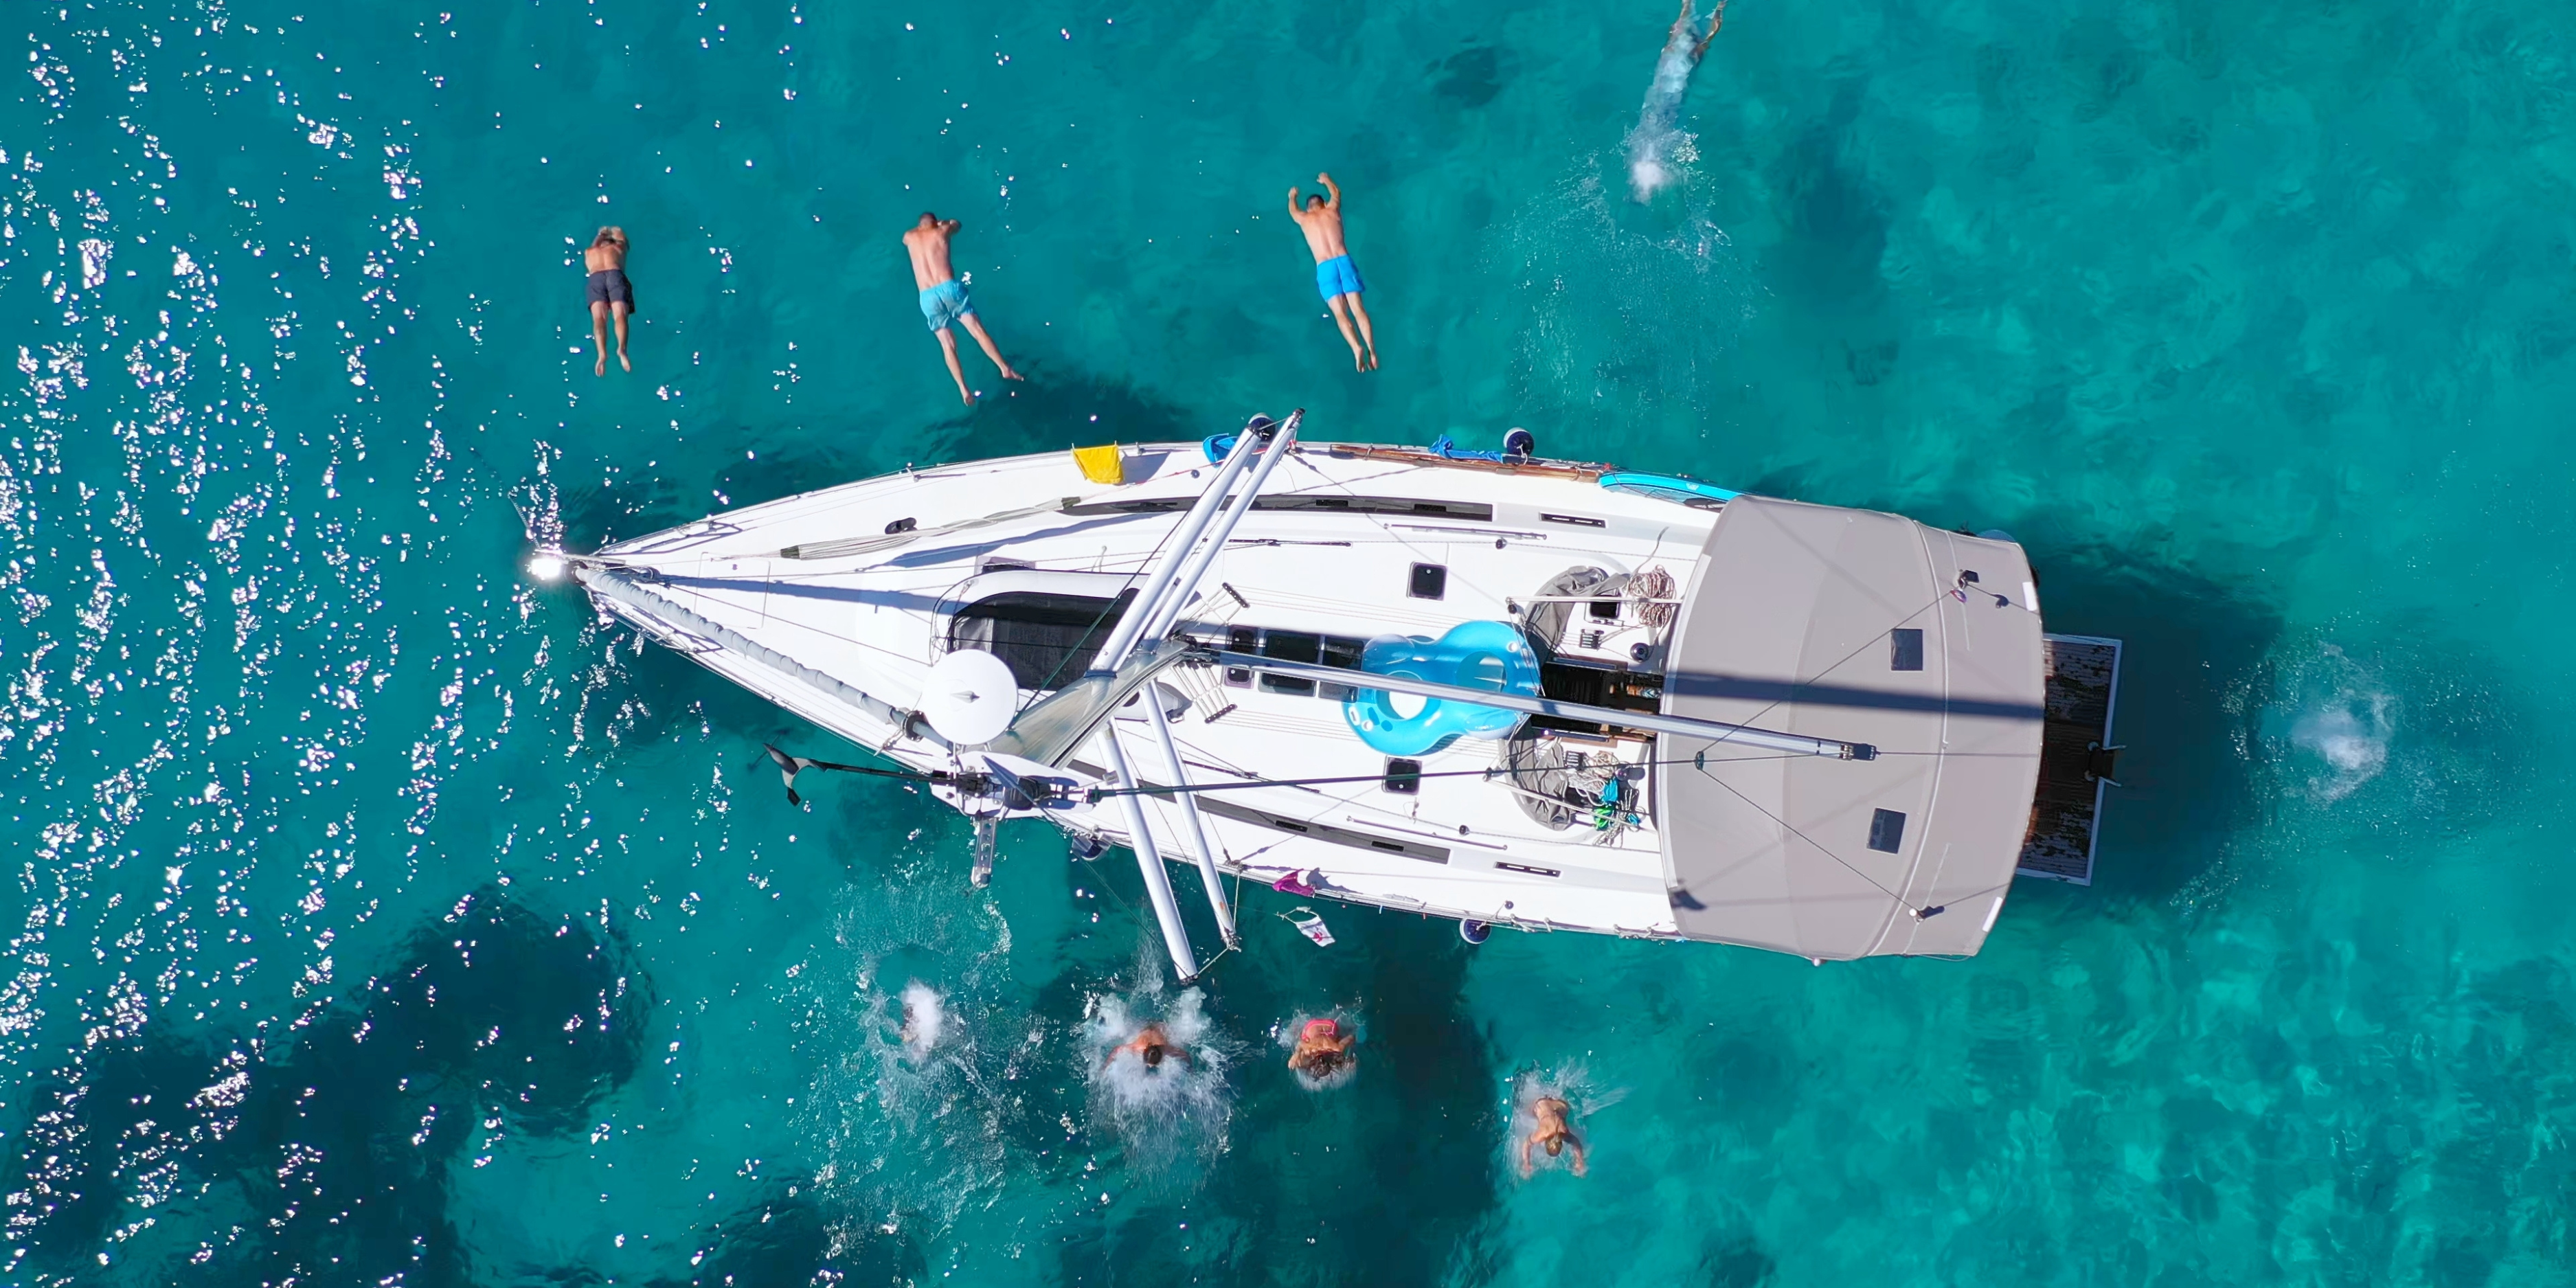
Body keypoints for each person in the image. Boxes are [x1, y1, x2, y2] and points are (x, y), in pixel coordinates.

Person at [903, 212, 1024, 405]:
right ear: (936, 224)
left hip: (927, 297)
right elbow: (957, 225)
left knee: (947, 345)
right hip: (948, 288)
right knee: (977, 330)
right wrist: (944, 223)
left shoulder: (909, 237)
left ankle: (963, 388)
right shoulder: (942, 231)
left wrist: (927, 226)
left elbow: (909, 236)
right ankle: (1004, 368)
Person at [1287, 172, 1377, 373]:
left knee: (1339, 313)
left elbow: (1293, 211)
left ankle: (1356, 348)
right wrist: (1326, 180)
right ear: (1322, 203)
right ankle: (1372, 349)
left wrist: (1292, 196)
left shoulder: (1304, 219)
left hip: (1325, 267)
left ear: (1309, 208)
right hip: (1343, 260)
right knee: (1358, 309)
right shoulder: (1332, 210)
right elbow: (1336, 193)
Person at [584, 227, 635, 376]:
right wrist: (616, 231)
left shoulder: (590, 252)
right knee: (620, 316)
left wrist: (601, 233)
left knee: (599, 319)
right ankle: (622, 349)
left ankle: (602, 355)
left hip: (596, 278)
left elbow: (594, 245)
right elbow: (623, 239)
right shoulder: (618, 248)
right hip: (615, 274)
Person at [1519, 1095, 1588, 1177]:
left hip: (1560, 1105)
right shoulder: (1553, 1133)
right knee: (1527, 1111)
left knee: (1528, 1112)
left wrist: (1580, 1162)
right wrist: (1579, 1162)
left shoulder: (1559, 1132)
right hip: (1549, 1103)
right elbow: (1576, 1143)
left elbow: (1576, 1143)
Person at [1287, 1017, 1356, 1080]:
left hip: (1331, 1027)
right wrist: (1295, 1056)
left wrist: (1349, 1051)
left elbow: (1351, 1037)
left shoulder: (1337, 1049)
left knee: (1338, 1038)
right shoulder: (1311, 1050)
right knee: (1299, 1037)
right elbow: (1300, 1044)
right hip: (1312, 1028)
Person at [1105, 1023, 1189, 1070]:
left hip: (1160, 1026)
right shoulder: (1138, 1047)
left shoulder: (1165, 1048)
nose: (1150, 1066)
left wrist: (1191, 1069)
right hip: (1146, 1028)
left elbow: (1185, 1055)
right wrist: (1105, 1067)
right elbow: (1117, 1050)